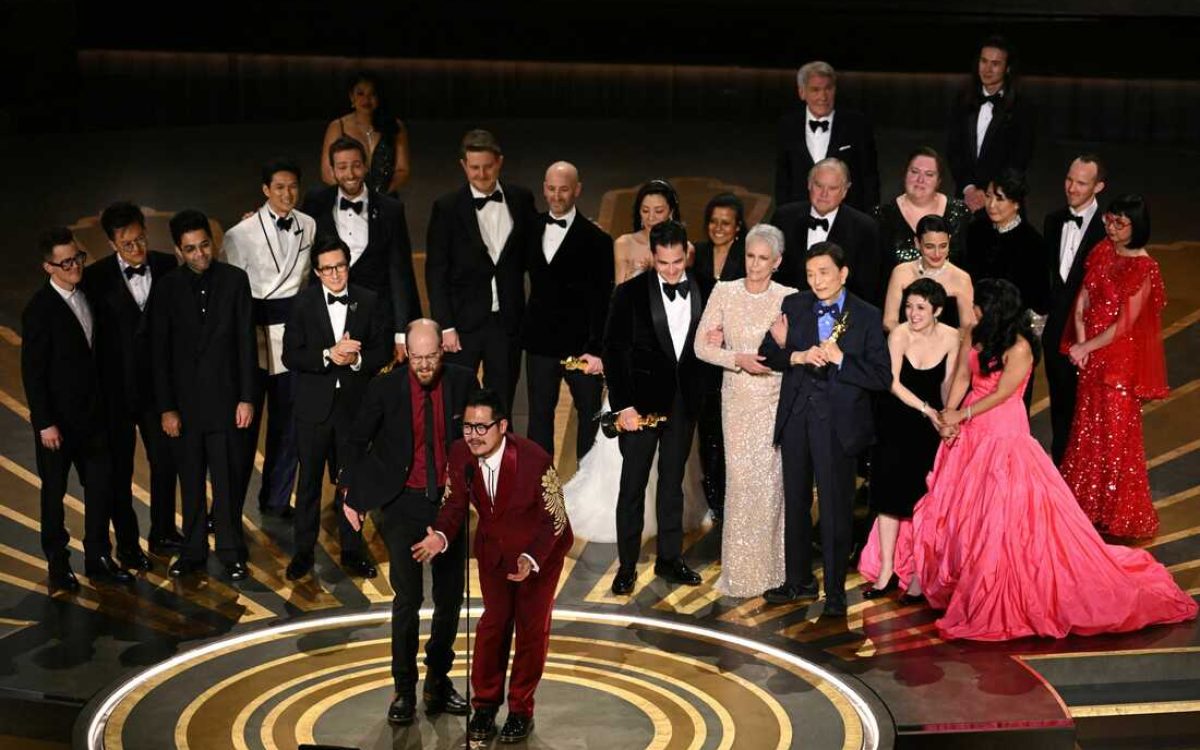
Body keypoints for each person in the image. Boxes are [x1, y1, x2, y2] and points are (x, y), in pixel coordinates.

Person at [910, 279, 1196, 640]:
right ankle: (964, 577)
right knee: (962, 508)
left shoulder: (1022, 347)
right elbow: (964, 375)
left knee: (1002, 516)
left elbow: (1002, 394)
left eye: (978, 305)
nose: (972, 310)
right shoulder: (974, 333)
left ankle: (1000, 585)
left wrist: (961, 417)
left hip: (1003, 433)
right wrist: (949, 413)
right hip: (970, 430)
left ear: (993, 309)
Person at [412, 389, 574, 744]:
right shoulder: (460, 455)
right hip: (493, 554)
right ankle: (484, 704)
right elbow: (455, 504)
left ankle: (520, 710)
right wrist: (440, 535)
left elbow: (556, 521)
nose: (473, 434)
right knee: (492, 626)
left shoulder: (535, 460)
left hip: (538, 557)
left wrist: (531, 559)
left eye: (481, 427)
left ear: (501, 426)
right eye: (468, 426)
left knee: (531, 632)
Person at [340, 319, 477, 726]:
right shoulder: (386, 387)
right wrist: (353, 492)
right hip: (402, 503)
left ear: (442, 350)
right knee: (408, 600)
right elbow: (356, 440)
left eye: (430, 356)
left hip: (449, 505)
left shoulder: (465, 382)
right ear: (407, 354)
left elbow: (484, 439)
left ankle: (438, 681)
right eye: (416, 358)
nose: (423, 365)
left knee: (450, 600)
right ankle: (403, 690)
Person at [758, 241, 891, 615]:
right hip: (797, 417)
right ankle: (798, 581)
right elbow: (768, 353)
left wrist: (842, 359)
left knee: (834, 510)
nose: (816, 281)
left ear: (843, 273)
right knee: (796, 503)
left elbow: (882, 377)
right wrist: (796, 353)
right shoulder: (795, 305)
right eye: (811, 273)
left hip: (838, 426)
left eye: (824, 273)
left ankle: (834, 594)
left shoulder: (865, 315)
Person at [603, 220, 715, 595]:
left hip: (684, 405)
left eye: (677, 262)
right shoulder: (629, 294)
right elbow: (614, 353)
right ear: (652, 257)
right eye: (664, 263)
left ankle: (670, 559)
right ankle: (627, 566)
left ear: (687, 255)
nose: (671, 270)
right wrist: (623, 407)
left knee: (672, 485)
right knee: (632, 486)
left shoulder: (706, 288)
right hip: (641, 408)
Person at [151, 210, 257, 581]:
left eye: (204, 245)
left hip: (228, 404)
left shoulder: (235, 281)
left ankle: (231, 551)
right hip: (185, 409)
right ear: (178, 251)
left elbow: (246, 344)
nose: (200, 255)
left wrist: (247, 398)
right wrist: (167, 409)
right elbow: (159, 354)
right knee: (191, 481)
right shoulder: (166, 288)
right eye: (191, 249)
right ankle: (193, 550)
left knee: (227, 481)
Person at [23, 228, 131, 590]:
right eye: (65, 262)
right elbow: (33, 373)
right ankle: (58, 563)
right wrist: (45, 423)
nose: (74, 266)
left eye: (77, 258)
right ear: (48, 267)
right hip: (58, 426)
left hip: (94, 419)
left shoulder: (89, 296)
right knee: (54, 494)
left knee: (100, 489)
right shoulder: (39, 310)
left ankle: (99, 556)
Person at [693, 224, 796, 596]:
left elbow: (798, 354)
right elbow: (700, 348)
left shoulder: (789, 297)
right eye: (750, 257)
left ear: (777, 262)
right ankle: (740, 572)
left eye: (763, 259)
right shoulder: (724, 291)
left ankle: (773, 572)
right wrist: (736, 358)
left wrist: (785, 345)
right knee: (740, 483)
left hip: (773, 400)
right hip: (736, 400)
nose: (754, 265)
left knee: (770, 486)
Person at [282, 237, 391, 580]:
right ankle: (302, 553)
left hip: (353, 411)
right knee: (310, 485)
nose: (335, 274)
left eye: (340, 266)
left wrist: (356, 358)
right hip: (314, 411)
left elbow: (383, 349)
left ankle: (352, 551)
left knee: (351, 484)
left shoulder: (368, 300)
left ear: (348, 265)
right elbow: (291, 355)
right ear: (316, 272)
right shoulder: (302, 304)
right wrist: (329, 354)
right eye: (327, 268)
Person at [1061, 195, 1168, 539]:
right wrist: (1081, 344)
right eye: (1110, 219)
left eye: (1120, 223)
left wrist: (1085, 347)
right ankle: (1086, 506)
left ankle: (1116, 513)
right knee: (1086, 431)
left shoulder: (1144, 268)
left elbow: (1124, 325)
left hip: (1118, 362)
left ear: (1137, 228)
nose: (1111, 227)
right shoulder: (1103, 251)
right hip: (1091, 354)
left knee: (1116, 437)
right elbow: (1083, 300)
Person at [222, 159, 316, 519]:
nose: (287, 193)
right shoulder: (238, 234)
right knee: (244, 429)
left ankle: (276, 499)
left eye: (292, 186)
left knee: (289, 424)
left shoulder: (308, 225)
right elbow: (230, 292)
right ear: (265, 190)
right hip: (254, 338)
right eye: (279, 187)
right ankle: (227, 508)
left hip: (294, 338)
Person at [85, 202, 179, 560]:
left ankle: (164, 533)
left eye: (141, 238)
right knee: (119, 471)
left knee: (164, 462)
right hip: (116, 394)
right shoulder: (95, 279)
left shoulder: (169, 266)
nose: (137, 248)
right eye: (128, 243)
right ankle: (127, 545)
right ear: (112, 243)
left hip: (159, 391)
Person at [857, 278, 959, 600]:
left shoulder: (953, 338)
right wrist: (927, 409)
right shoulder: (899, 334)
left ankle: (917, 574)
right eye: (908, 307)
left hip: (928, 430)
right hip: (896, 420)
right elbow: (892, 383)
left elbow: (947, 384)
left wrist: (947, 414)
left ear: (937, 310)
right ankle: (887, 570)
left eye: (920, 308)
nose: (912, 314)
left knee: (920, 502)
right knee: (888, 500)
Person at [425, 129, 538, 412]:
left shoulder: (521, 200)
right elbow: (436, 271)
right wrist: (446, 326)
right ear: (464, 166)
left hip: (507, 322)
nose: (481, 174)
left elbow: (534, 256)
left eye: (487, 166)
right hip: (462, 326)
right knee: (455, 402)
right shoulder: (447, 208)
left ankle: (499, 456)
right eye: (474, 168)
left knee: (501, 403)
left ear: (499, 162)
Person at [522, 161, 613, 460]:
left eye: (563, 189)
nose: (556, 195)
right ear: (543, 189)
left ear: (577, 190)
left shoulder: (597, 240)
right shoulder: (529, 228)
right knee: (538, 418)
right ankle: (540, 490)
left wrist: (596, 348)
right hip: (540, 344)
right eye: (551, 188)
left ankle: (583, 489)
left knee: (589, 415)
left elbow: (602, 299)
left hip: (581, 348)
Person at [302, 136, 421, 362]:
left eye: (356, 165)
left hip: (379, 323)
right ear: (332, 171)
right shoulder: (316, 203)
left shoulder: (390, 209)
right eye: (342, 167)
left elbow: (400, 274)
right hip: (328, 321)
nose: (350, 174)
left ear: (366, 166)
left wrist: (401, 334)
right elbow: (294, 231)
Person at [1042, 155, 1108, 465]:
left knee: (1089, 414)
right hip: (1056, 335)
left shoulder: (1109, 230)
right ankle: (1060, 476)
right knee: (1060, 411)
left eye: (1081, 183)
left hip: (1090, 340)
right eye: (1070, 179)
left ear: (1099, 186)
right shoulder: (1053, 221)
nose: (1071, 187)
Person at [773, 158, 884, 306]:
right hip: (786, 310)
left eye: (832, 188)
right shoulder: (784, 217)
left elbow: (868, 288)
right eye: (819, 185)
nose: (824, 194)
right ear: (809, 184)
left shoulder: (865, 229)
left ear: (845, 191)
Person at [946, 35, 1036, 212]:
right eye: (984, 61)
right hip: (966, 199)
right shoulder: (962, 101)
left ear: (1007, 68)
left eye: (995, 64)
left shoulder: (1022, 108)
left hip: (1003, 201)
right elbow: (953, 150)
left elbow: (1019, 160)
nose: (987, 69)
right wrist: (969, 188)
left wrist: (988, 193)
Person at [775, 61, 880, 211]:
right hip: (800, 216)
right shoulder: (788, 126)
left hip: (847, 217)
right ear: (802, 92)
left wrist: (868, 220)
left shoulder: (857, 125)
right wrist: (785, 217)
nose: (823, 96)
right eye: (815, 90)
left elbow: (869, 178)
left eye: (828, 89)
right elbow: (783, 180)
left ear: (835, 90)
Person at [964, 169, 1049, 324]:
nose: (991, 205)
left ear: (1016, 203)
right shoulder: (976, 229)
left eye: (1000, 198)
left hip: (1010, 327)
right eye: (989, 196)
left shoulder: (1033, 243)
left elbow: (1037, 300)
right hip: (971, 318)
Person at [871, 146, 972, 265]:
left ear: (939, 181)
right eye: (914, 172)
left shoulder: (960, 212)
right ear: (905, 174)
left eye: (929, 174)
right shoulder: (881, 216)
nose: (920, 180)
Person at [319, 70, 410, 195]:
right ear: (351, 96)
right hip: (348, 200)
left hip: (385, 200)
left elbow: (402, 170)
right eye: (360, 93)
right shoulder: (337, 127)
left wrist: (380, 195)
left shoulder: (395, 126)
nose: (366, 99)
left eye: (372, 94)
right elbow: (327, 172)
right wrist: (355, 196)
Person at [882, 214, 974, 331]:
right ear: (917, 243)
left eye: (943, 246)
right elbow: (889, 321)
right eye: (930, 247)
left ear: (949, 241)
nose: (937, 254)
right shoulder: (901, 272)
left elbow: (968, 328)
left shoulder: (961, 278)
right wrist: (910, 341)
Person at [612, 179, 693, 284]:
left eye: (658, 211)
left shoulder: (686, 248)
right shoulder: (624, 244)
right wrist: (639, 272)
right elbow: (619, 293)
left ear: (671, 212)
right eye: (645, 211)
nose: (650, 218)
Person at [692, 192, 747, 284]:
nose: (718, 228)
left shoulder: (748, 256)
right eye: (713, 221)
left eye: (725, 223)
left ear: (738, 226)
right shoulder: (696, 251)